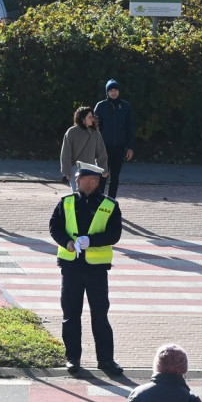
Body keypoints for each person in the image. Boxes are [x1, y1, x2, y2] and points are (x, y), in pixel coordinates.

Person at [48, 161, 123, 376]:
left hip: (96, 270)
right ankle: (73, 359)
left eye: (78, 178)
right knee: (71, 314)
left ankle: (106, 360)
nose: (75, 181)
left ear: (92, 181)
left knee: (100, 315)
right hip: (71, 268)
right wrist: (67, 243)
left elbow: (114, 234)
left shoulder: (109, 205)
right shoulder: (66, 202)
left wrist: (91, 241)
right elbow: (54, 226)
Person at [94, 79, 135, 199]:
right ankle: (98, 201)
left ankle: (111, 203)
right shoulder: (101, 106)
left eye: (115, 90)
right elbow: (94, 128)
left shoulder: (126, 107)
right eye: (111, 90)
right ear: (107, 92)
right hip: (103, 148)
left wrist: (130, 147)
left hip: (119, 147)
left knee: (115, 178)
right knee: (102, 176)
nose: (113, 93)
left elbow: (130, 127)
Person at [60, 105, 109, 192]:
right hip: (76, 169)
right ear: (82, 119)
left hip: (91, 169)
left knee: (90, 195)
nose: (92, 119)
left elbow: (101, 153)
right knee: (77, 195)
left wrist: (104, 169)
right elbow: (66, 153)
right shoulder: (71, 132)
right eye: (89, 117)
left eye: (92, 117)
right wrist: (66, 171)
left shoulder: (95, 133)